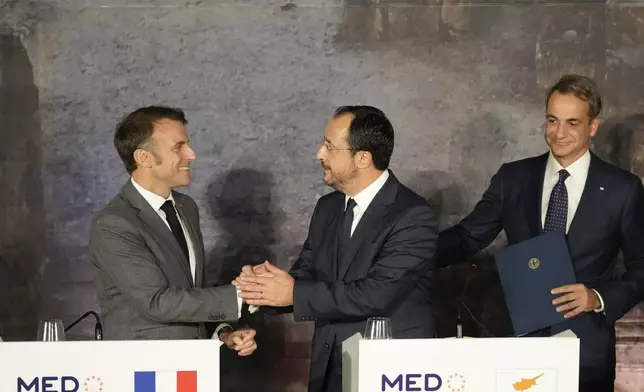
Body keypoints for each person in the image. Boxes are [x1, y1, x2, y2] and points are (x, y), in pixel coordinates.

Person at [437, 74, 644, 392]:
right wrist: (404, 249)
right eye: (552, 120)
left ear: (593, 126)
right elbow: (466, 238)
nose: (559, 134)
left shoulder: (623, 189)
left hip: (584, 356)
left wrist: (597, 297)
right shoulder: (513, 179)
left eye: (572, 123)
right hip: (515, 351)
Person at [233, 106, 439, 392]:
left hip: (392, 373)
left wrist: (292, 292)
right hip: (330, 367)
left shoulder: (413, 215)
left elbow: (376, 294)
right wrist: (262, 290)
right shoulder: (327, 208)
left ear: (363, 158)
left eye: (329, 146)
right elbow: (307, 273)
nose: (319, 154)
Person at [90, 106, 256, 355]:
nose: (191, 154)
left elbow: (190, 292)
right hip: (142, 369)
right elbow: (157, 302)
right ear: (144, 158)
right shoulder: (114, 224)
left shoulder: (185, 207)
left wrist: (223, 333)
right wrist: (243, 295)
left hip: (190, 366)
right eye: (179, 147)